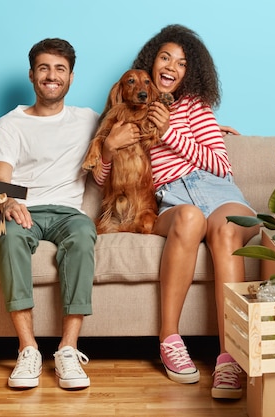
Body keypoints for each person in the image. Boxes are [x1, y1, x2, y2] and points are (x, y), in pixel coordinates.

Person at [94, 25, 259, 400]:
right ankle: (169, 339)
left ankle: (230, 357)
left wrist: (171, 132)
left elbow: (220, 165)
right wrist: (107, 149)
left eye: (182, 63)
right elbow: (102, 179)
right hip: (171, 199)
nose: (172, 67)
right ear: (151, 63)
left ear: (189, 73)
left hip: (217, 191)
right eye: (165, 58)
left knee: (228, 229)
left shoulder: (195, 107)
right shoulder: (130, 109)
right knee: (188, 218)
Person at [0, 38, 105, 390]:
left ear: (70, 77)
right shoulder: (10, 124)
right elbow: (0, 179)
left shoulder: (89, 120)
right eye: (44, 68)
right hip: (26, 210)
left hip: (70, 213)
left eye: (60, 69)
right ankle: (28, 350)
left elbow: (136, 129)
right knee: (6, 235)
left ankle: (68, 350)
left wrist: (209, 132)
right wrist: (8, 202)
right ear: (32, 74)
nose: (52, 76)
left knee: (84, 236)